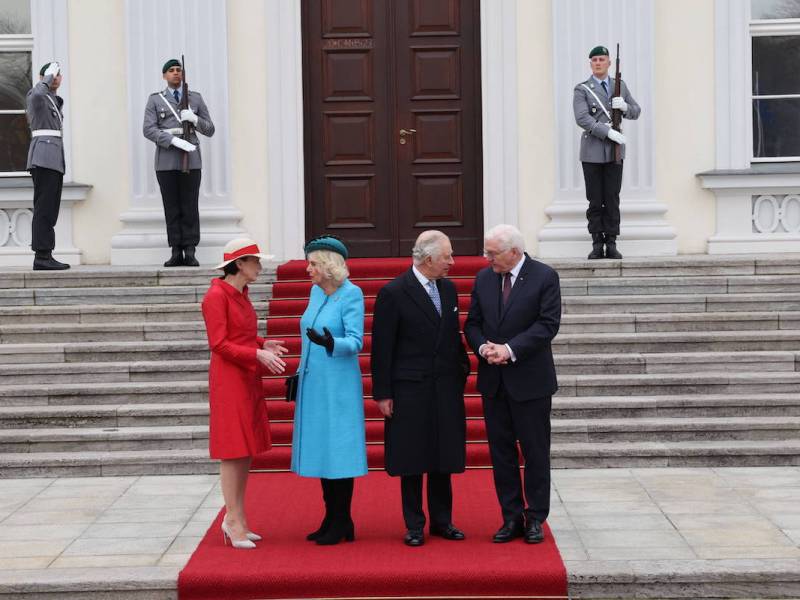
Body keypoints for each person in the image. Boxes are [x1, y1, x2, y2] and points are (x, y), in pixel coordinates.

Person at [370, 230, 470, 547]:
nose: (452, 262)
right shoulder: (394, 292)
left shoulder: (450, 289)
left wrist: (461, 372)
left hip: (444, 387)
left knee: (443, 455)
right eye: (447, 257)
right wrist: (383, 393)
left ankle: (443, 521)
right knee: (412, 458)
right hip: (409, 389)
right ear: (428, 259)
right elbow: (382, 349)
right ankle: (414, 524)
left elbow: (453, 337)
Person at [464, 224, 561, 544]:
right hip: (494, 381)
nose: (486, 258)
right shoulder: (484, 278)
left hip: (530, 382)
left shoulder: (544, 277)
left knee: (535, 452)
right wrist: (483, 348)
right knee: (501, 453)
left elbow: (547, 325)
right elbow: (473, 323)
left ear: (514, 252)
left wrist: (510, 350)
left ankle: (535, 517)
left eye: (492, 253)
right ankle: (510, 516)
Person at [201, 238, 287, 549]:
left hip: (245, 376)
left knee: (245, 448)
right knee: (232, 448)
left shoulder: (240, 294)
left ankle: (238, 517)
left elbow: (243, 334)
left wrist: (262, 344)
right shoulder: (216, 296)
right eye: (256, 262)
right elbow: (219, 343)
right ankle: (232, 519)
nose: (260, 267)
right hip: (229, 379)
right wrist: (256, 355)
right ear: (240, 264)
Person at [291, 236, 367, 545]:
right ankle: (331, 517)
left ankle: (342, 519)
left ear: (328, 265)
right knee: (323, 449)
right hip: (314, 384)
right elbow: (308, 334)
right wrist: (298, 373)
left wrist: (332, 344)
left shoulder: (351, 294)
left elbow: (356, 340)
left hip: (338, 388)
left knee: (339, 452)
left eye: (312, 264)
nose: (308, 269)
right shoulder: (315, 292)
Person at [143, 58, 215, 267]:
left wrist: (194, 119)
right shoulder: (156, 100)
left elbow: (209, 129)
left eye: (178, 70)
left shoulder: (195, 98)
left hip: (191, 159)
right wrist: (172, 140)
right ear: (164, 75)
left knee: (190, 205)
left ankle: (190, 250)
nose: (176, 73)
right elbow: (148, 129)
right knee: (171, 206)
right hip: (166, 160)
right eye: (171, 71)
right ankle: (176, 250)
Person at [573, 45, 640, 260]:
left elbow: (636, 111)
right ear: (590, 64)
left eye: (602, 59)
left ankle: (611, 242)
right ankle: (596, 242)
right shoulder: (582, 89)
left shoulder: (619, 86)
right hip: (592, 151)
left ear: (609, 63)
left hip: (615, 151)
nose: (598, 63)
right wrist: (608, 132)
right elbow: (582, 118)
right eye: (594, 60)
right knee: (595, 199)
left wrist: (625, 108)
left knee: (612, 197)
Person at [26, 61, 69, 270]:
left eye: (59, 74)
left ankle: (46, 253)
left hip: (53, 158)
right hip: (43, 157)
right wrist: (46, 78)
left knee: (50, 208)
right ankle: (41, 256)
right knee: (44, 207)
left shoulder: (52, 99)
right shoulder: (37, 95)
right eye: (54, 75)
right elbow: (35, 96)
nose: (57, 78)